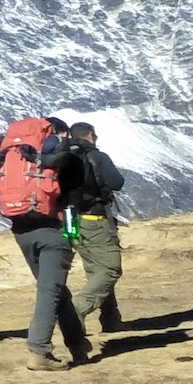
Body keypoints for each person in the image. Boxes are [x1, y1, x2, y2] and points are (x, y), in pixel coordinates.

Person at [0, 117, 98, 371]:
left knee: (54, 287)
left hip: (21, 229)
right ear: (60, 134)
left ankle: (77, 343)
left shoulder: (17, 154)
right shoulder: (67, 159)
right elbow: (75, 198)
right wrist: (72, 235)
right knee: (49, 291)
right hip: (53, 230)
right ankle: (39, 351)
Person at [64, 122, 129, 338]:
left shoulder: (63, 157)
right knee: (110, 269)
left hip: (70, 220)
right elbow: (117, 182)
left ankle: (111, 319)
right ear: (90, 136)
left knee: (94, 269)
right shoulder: (96, 157)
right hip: (96, 218)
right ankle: (76, 310)